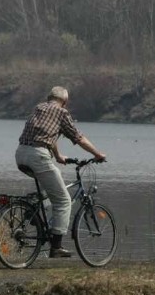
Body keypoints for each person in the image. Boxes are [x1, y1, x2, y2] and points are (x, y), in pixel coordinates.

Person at [15, 86, 106, 258]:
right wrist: (97, 154)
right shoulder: (61, 112)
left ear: (50, 97)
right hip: (38, 156)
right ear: (65, 101)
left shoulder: (39, 108)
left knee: (52, 188)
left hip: (21, 154)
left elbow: (49, 134)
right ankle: (56, 247)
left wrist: (57, 155)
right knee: (64, 200)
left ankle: (33, 208)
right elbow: (78, 138)